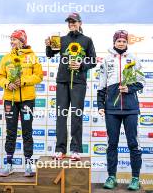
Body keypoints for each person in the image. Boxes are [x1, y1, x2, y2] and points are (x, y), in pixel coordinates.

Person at [97, 30, 145, 191]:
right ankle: (111, 177)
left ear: (127, 43)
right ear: (114, 42)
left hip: (131, 108)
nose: (121, 44)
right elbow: (101, 85)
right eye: (119, 41)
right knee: (112, 144)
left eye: (124, 41)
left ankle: (136, 178)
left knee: (133, 144)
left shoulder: (134, 59)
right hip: (112, 109)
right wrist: (100, 105)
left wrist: (129, 88)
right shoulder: (107, 59)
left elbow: (141, 82)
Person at [45, 13, 96, 161]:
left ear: (80, 23)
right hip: (62, 81)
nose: (71, 24)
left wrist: (81, 65)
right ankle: (60, 149)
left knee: (76, 115)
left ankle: (75, 150)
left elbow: (92, 60)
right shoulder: (61, 40)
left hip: (79, 82)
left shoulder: (87, 40)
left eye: (74, 21)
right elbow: (50, 54)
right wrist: (48, 45)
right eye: (69, 22)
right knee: (61, 116)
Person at [0, 29, 43, 177]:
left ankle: (28, 164)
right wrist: (6, 84)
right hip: (10, 100)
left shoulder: (32, 57)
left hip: (27, 100)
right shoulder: (6, 58)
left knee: (27, 132)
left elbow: (39, 76)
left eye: (15, 39)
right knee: (10, 132)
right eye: (11, 39)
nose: (12, 42)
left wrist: (23, 81)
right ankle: (9, 163)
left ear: (22, 41)